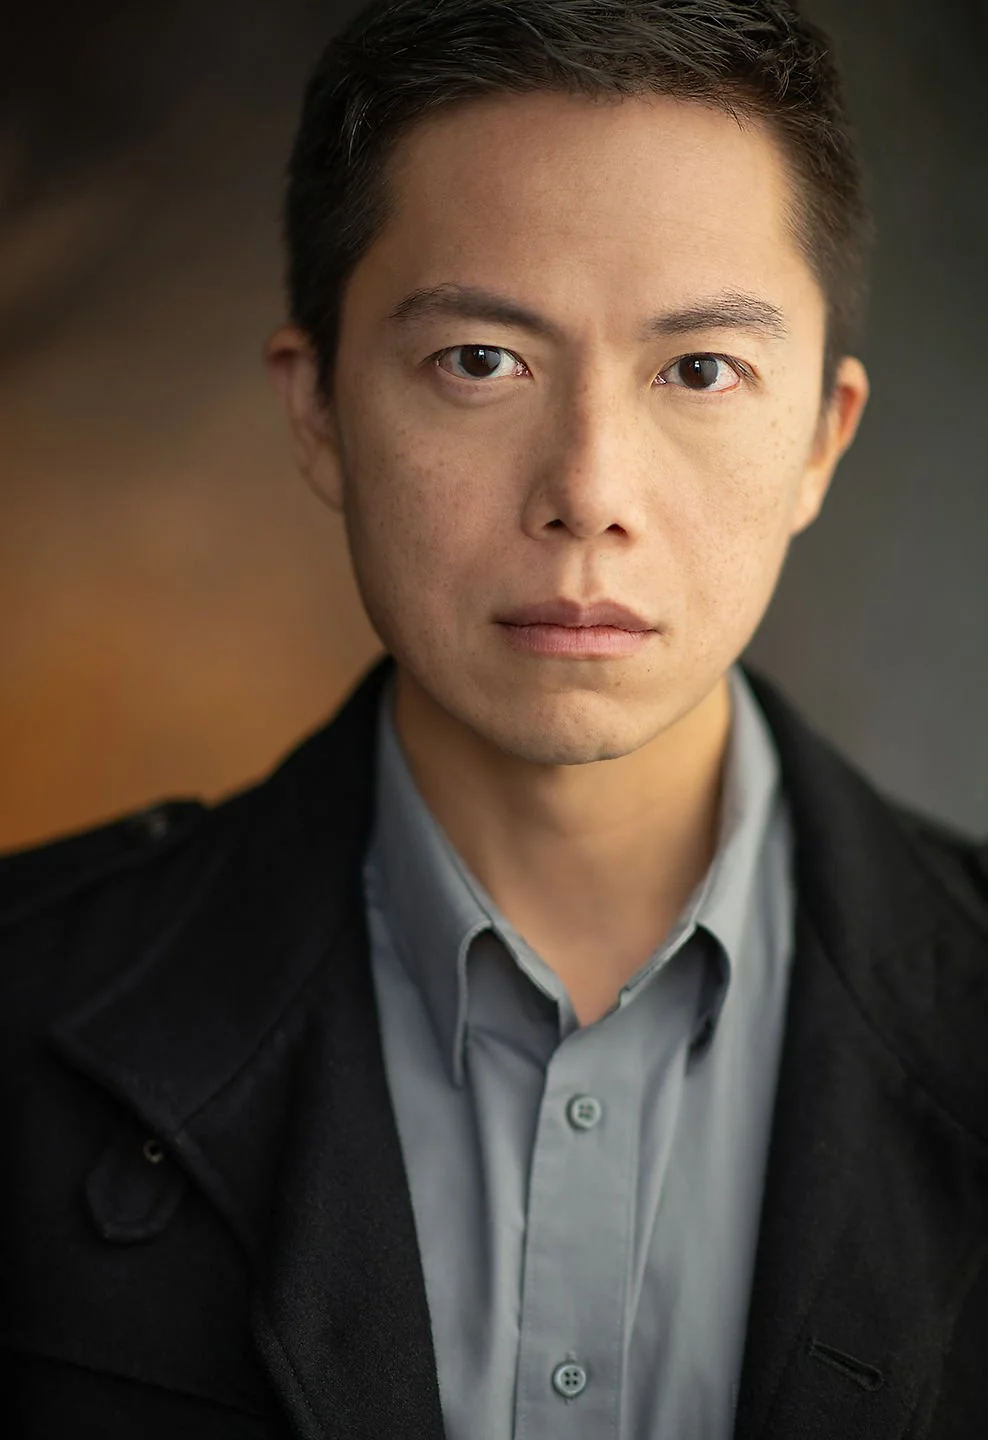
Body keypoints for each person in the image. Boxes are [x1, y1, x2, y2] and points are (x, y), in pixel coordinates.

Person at [2, 0, 986, 1436]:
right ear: (320, 411)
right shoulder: (26, 1015)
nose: (587, 488)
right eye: (481, 361)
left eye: (699, 370)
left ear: (820, 440)